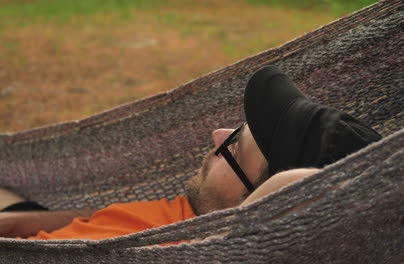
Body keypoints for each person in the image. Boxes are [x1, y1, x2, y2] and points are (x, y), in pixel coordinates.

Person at [0, 65, 382, 244]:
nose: (216, 135)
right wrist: (21, 223)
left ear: (267, 205)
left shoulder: (197, 246)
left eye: (233, 147)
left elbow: (298, 187)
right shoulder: (199, 214)